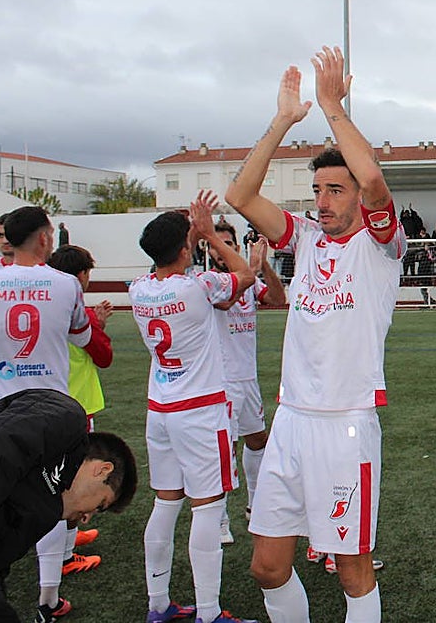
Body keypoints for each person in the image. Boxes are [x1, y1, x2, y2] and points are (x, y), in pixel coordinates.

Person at [225, 46, 405, 623]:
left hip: (346, 423)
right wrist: (282, 121)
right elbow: (241, 197)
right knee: (267, 567)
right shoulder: (304, 237)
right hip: (291, 421)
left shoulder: (379, 245)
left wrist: (331, 107)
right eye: (319, 190)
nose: (323, 202)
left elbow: (375, 180)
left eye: (335, 190)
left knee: (353, 569)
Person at [131, 193, 258, 623]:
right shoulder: (199, 286)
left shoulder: (138, 289)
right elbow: (245, 275)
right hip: (200, 411)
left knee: (165, 504)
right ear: (186, 248)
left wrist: (192, 235)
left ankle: (158, 604)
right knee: (206, 506)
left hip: (160, 408)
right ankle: (207, 613)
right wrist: (211, 236)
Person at [0, 205, 95, 622]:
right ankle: (47, 599)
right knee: (49, 499)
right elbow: (82, 333)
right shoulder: (64, 284)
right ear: (44, 238)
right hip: (47, 408)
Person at [0, 389, 137, 623]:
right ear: (103, 470)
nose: (87, 517)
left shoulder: (45, 510)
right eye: (101, 505)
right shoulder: (66, 419)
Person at [208, 226, 287, 544]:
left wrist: (264, 265)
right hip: (220, 382)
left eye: (229, 244)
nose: (223, 250)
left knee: (258, 441)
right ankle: (220, 519)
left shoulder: (249, 280)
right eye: (218, 245)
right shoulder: (209, 281)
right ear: (210, 250)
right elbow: (226, 302)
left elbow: (279, 298)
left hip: (247, 378)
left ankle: (256, 505)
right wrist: (251, 269)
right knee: (223, 452)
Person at [47, 244, 115, 577]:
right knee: (68, 484)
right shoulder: (78, 314)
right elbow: (103, 356)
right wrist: (97, 324)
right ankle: (62, 556)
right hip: (75, 407)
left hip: (48, 403)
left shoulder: (45, 306)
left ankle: (67, 542)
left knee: (53, 478)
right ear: (82, 275)